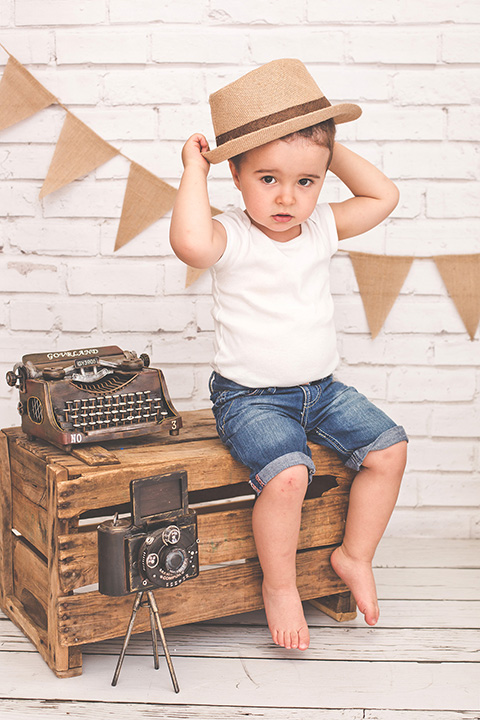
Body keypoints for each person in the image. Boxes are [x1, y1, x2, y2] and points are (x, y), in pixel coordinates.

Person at [170, 59, 408, 652]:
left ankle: (354, 555)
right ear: (237, 175)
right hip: (250, 396)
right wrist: (193, 171)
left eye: (306, 181)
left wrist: (328, 140)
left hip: (321, 388)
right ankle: (280, 586)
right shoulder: (233, 233)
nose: (287, 196)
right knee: (289, 476)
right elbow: (190, 244)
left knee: (390, 450)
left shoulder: (322, 226)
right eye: (268, 178)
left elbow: (384, 196)